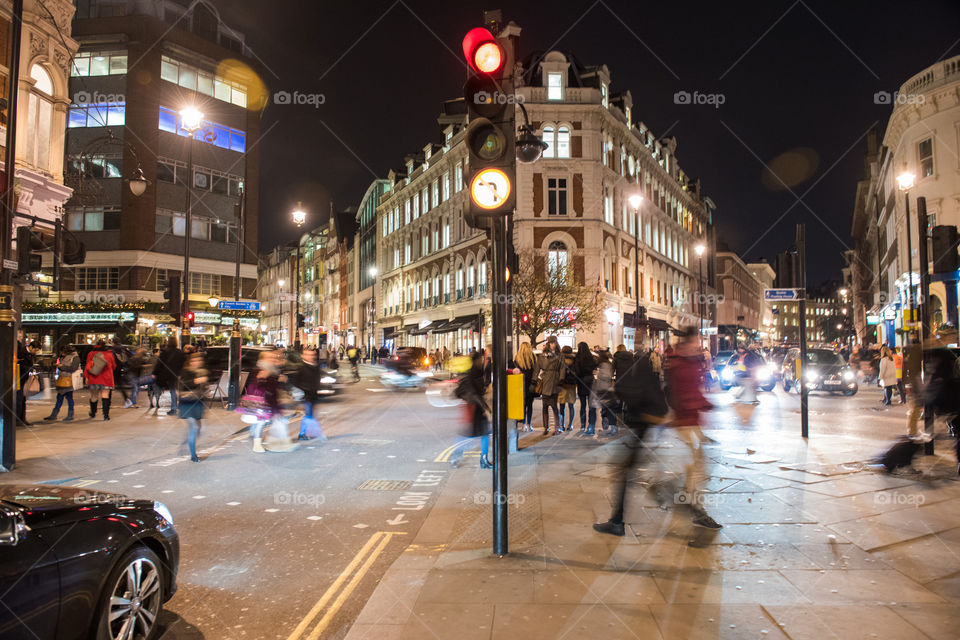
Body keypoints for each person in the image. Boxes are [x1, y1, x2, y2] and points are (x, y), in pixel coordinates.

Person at [593, 346, 668, 536]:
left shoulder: (638, 373)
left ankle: (617, 521)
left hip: (642, 431)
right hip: (647, 430)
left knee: (624, 473)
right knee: (626, 472)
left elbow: (634, 395)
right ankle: (618, 520)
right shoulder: (649, 373)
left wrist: (613, 394)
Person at [665, 328, 721, 529]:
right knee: (698, 467)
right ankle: (692, 505)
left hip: (691, 420)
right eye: (696, 341)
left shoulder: (689, 361)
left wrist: (704, 403)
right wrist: (700, 403)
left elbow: (692, 390)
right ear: (688, 342)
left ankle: (684, 497)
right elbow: (681, 392)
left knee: (695, 465)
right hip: (684, 421)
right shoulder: (680, 363)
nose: (698, 345)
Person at [451, 350, 491, 468]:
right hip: (473, 407)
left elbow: (479, 390)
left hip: (478, 406)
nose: (482, 361)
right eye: (480, 359)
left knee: (483, 433)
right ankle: (455, 456)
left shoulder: (478, 372)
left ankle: (484, 459)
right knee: (468, 434)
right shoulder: (471, 374)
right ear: (475, 361)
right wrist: (485, 408)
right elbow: (473, 393)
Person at [249, 349, 286, 452]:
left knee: (264, 421)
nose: (273, 359)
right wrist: (262, 378)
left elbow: (272, 384)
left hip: (269, 400)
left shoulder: (270, 369)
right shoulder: (261, 369)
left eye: (273, 357)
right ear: (263, 359)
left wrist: (278, 379)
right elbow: (257, 385)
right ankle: (257, 445)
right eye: (270, 357)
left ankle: (261, 439)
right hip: (262, 401)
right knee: (261, 422)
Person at [178, 350, 208, 462]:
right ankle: (193, 456)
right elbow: (185, 384)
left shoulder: (203, 372)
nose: (197, 362)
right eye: (194, 360)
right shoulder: (185, 371)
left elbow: (204, 388)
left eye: (199, 360)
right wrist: (197, 380)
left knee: (198, 429)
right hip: (187, 403)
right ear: (190, 361)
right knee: (194, 427)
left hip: (198, 402)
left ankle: (185, 443)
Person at [292, 348, 327, 442]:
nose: (311, 357)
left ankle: (309, 433)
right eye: (308, 355)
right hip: (306, 396)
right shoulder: (301, 368)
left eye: (313, 355)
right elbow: (295, 382)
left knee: (310, 415)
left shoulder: (315, 366)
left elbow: (317, 380)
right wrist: (304, 391)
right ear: (303, 356)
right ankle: (302, 434)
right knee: (308, 415)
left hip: (314, 395)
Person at [533, 338, 563, 435]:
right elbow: (537, 368)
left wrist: (561, 379)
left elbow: (562, 368)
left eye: (554, 343)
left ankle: (557, 428)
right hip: (545, 381)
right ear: (548, 344)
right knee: (545, 406)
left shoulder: (559, 355)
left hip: (555, 381)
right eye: (551, 343)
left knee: (554, 406)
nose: (553, 345)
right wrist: (533, 381)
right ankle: (546, 427)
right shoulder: (542, 356)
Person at [45, 345, 80, 422]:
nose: (62, 353)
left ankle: (69, 415)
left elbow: (73, 368)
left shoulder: (75, 357)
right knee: (59, 398)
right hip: (62, 379)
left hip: (69, 380)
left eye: (63, 352)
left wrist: (62, 366)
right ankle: (54, 415)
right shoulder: (64, 357)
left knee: (69, 398)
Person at [84, 339, 117, 421]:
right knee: (105, 395)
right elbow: (114, 366)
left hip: (94, 378)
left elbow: (87, 366)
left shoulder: (91, 354)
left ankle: (93, 412)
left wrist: (86, 377)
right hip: (106, 378)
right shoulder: (109, 354)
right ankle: (106, 415)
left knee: (94, 396)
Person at [155, 338, 184, 415]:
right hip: (177, 374)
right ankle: (178, 407)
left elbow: (159, 364)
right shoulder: (180, 352)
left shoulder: (165, 352)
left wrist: (155, 373)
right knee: (176, 390)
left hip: (167, 374)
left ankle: (173, 408)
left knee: (171, 390)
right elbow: (182, 364)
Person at [589, 350, 615, 436]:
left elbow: (607, 376)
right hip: (602, 389)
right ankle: (606, 424)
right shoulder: (605, 364)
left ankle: (611, 427)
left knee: (606, 409)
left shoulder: (605, 365)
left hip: (604, 389)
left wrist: (598, 374)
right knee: (604, 408)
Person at [573, 342, 596, 434]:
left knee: (583, 405)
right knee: (591, 406)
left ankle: (583, 425)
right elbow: (594, 367)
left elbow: (577, 371)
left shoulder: (577, 358)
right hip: (590, 382)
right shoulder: (591, 357)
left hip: (581, 382)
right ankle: (591, 425)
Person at [16, 337, 38, 427]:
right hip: (19, 379)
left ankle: (22, 419)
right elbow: (19, 365)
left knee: (23, 399)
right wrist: (30, 369)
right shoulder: (22, 352)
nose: (36, 352)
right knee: (19, 399)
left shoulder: (30, 354)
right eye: (35, 350)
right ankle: (18, 419)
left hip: (25, 379)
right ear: (31, 347)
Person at [514, 342, 537, 432]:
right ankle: (529, 424)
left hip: (520, 384)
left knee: (522, 405)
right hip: (530, 384)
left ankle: (523, 424)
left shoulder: (517, 358)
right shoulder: (533, 358)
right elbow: (535, 371)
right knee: (530, 405)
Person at [904, 336, 924, 436]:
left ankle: (912, 430)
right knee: (917, 406)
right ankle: (912, 431)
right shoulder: (919, 351)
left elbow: (906, 367)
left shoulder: (910, 351)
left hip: (913, 381)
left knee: (915, 406)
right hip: (917, 381)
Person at [111, 336, 132, 406]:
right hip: (120, 367)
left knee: (109, 385)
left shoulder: (113, 349)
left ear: (113, 342)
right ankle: (127, 399)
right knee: (120, 384)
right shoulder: (122, 347)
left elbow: (112, 358)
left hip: (114, 368)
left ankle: (107, 401)